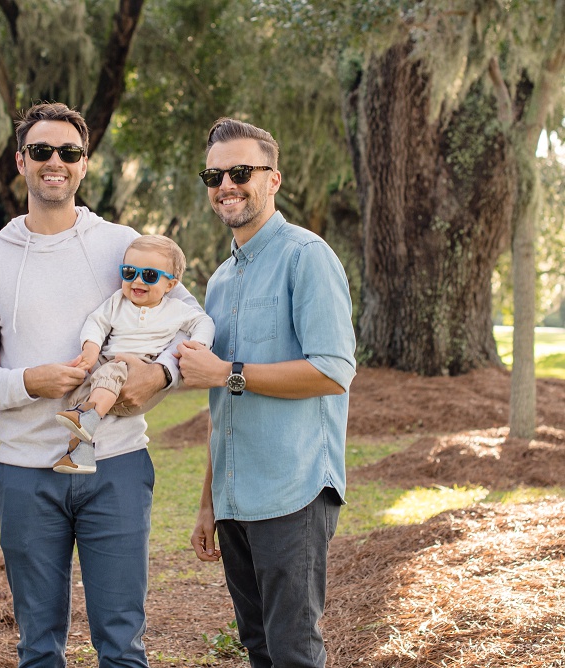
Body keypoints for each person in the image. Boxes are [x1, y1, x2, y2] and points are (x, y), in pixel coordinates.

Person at [0, 102, 203, 667]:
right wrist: (29, 381)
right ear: (20, 161)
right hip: (25, 475)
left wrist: (160, 375)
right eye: (41, 151)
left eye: (68, 153)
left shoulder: (123, 245)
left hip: (115, 467)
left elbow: (188, 323)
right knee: (38, 645)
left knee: (121, 642)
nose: (55, 162)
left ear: (84, 164)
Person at [177, 118, 357, 668]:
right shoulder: (221, 280)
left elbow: (331, 371)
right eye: (214, 175)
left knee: (294, 652)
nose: (225, 184)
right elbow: (221, 401)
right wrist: (210, 502)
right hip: (236, 496)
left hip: (294, 488)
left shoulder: (307, 256)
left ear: (273, 180)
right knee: (258, 650)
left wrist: (230, 371)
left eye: (240, 172)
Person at [53, 234, 214, 473]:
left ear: (170, 285)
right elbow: (96, 322)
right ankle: (81, 453)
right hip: (109, 379)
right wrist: (91, 348)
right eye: (129, 272)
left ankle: (88, 416)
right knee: (76, 393)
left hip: (141, 377)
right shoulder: (117, 302)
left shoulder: (176, 309)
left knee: (112, 371)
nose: (137, 281)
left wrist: (198, 345)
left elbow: (204, 321)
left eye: (149, 275)